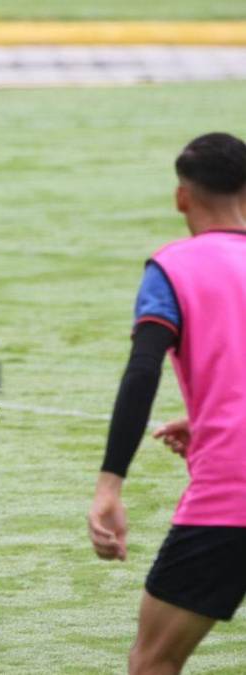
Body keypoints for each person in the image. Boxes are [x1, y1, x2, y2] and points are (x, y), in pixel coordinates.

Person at [88, 132, 246, 674]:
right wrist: (211, 417)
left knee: (153, 660)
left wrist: (110, 485)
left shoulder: (172, 268)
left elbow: (142, 372)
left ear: (183, 197)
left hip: (232, 494)